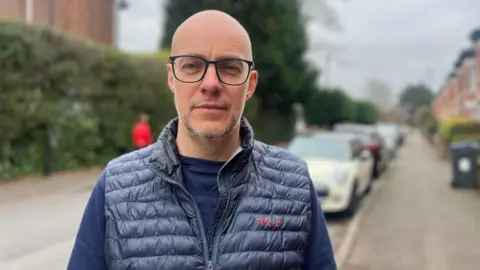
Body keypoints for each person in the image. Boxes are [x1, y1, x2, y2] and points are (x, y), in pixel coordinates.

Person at [68, 10, 336, 270]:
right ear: (172, 78)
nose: (210, 83)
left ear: (250, 84)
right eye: (192, 66)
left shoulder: (293, 185)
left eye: (229, 68)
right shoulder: (116, 187)